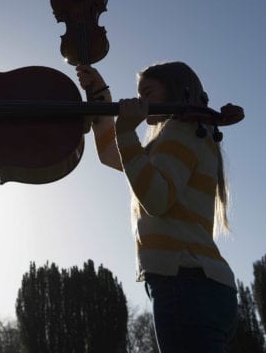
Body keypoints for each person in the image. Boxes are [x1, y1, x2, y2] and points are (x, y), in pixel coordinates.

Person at [77, 61, 238, 352]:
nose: (141, 100)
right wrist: (100, 95)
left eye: (149, 92)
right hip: (195, 284)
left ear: (177, 90)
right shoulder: (177, 136)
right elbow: (111, 155)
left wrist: (127, 132)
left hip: (186, 281)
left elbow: (156, 199)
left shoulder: (183, 128)